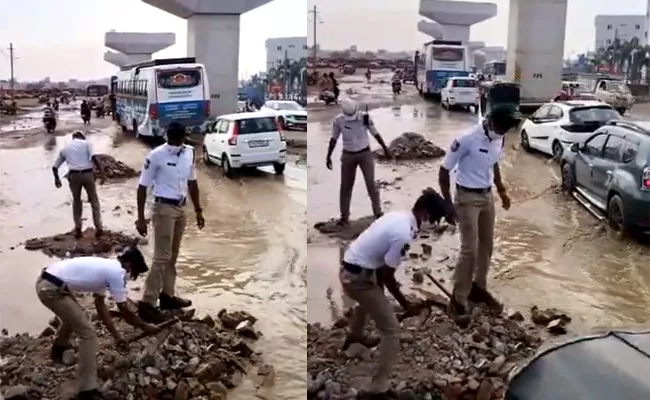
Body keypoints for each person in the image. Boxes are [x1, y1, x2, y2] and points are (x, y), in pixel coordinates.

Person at [340, 189, 454, 397]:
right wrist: (405, 305)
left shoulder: (398, 216)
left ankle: (355, 335)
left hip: (356, 266)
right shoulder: (403, 233)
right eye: (434, 219)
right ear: (424, 212)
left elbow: (381, 265)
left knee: (370, 301)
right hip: (357, 278)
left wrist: (385, 294)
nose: (434, 224)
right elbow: (387, 276)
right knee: (391, 331)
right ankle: (378, 388)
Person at [35, 246, 161, 400]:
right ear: (128, 266)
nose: (131, 278)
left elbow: (101, 308)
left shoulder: (108, 269)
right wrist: (145, 327)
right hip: (50, 289)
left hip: (49, 281)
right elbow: (125, 310)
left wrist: (117, 336)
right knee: (88, 334)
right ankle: (86, 390)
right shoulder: (116, 273)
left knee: (75, 316)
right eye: (133, 273)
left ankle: (58, 350)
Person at [438, 107, 519, 321]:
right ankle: (458, 298)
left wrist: (502, 192)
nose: (503, 132)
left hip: (486, 197)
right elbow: (444, 170)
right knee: (470, 250)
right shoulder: (466, 139)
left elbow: (494, 163)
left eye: (506, 129)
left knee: (487, 246)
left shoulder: (499, 138)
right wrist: (448, 205)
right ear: (490, 122)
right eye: (501, 127)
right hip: (466, 198)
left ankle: (479, 288)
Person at [135, 122, 205, 322]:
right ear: (167, 137)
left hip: (181, 208)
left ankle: (167, 296)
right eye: (172, 140)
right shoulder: (156, 156)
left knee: (173, 255)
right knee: (161, 257)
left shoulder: (189, 153)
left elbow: (192, 182)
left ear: (183, 137)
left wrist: (199, 210)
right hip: (163, 208)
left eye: (178, 140)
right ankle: (148, 303)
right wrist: (140, 218)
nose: (176, 143)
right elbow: (142, 187)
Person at [326, 98, 390, 226]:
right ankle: (344, 218)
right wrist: (328, 156)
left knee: (371, 184)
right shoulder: (339, 121)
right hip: (348, 155)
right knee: (345, 187)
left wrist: (385, 148)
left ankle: (377, 213)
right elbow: (333, 139)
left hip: (365, 154)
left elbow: (375, 133)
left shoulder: (364, 118)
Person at [52, 131, 105, 239]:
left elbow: (55, 167)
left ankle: (78, 230)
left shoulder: (65, 149)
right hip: (87, 174)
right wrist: (102, 173)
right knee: (94, 200)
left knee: (76, 202)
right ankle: (99, 229)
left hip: (74, 176)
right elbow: (94, 157)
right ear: (82, 137)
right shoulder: (87, 143)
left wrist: (57, 179)